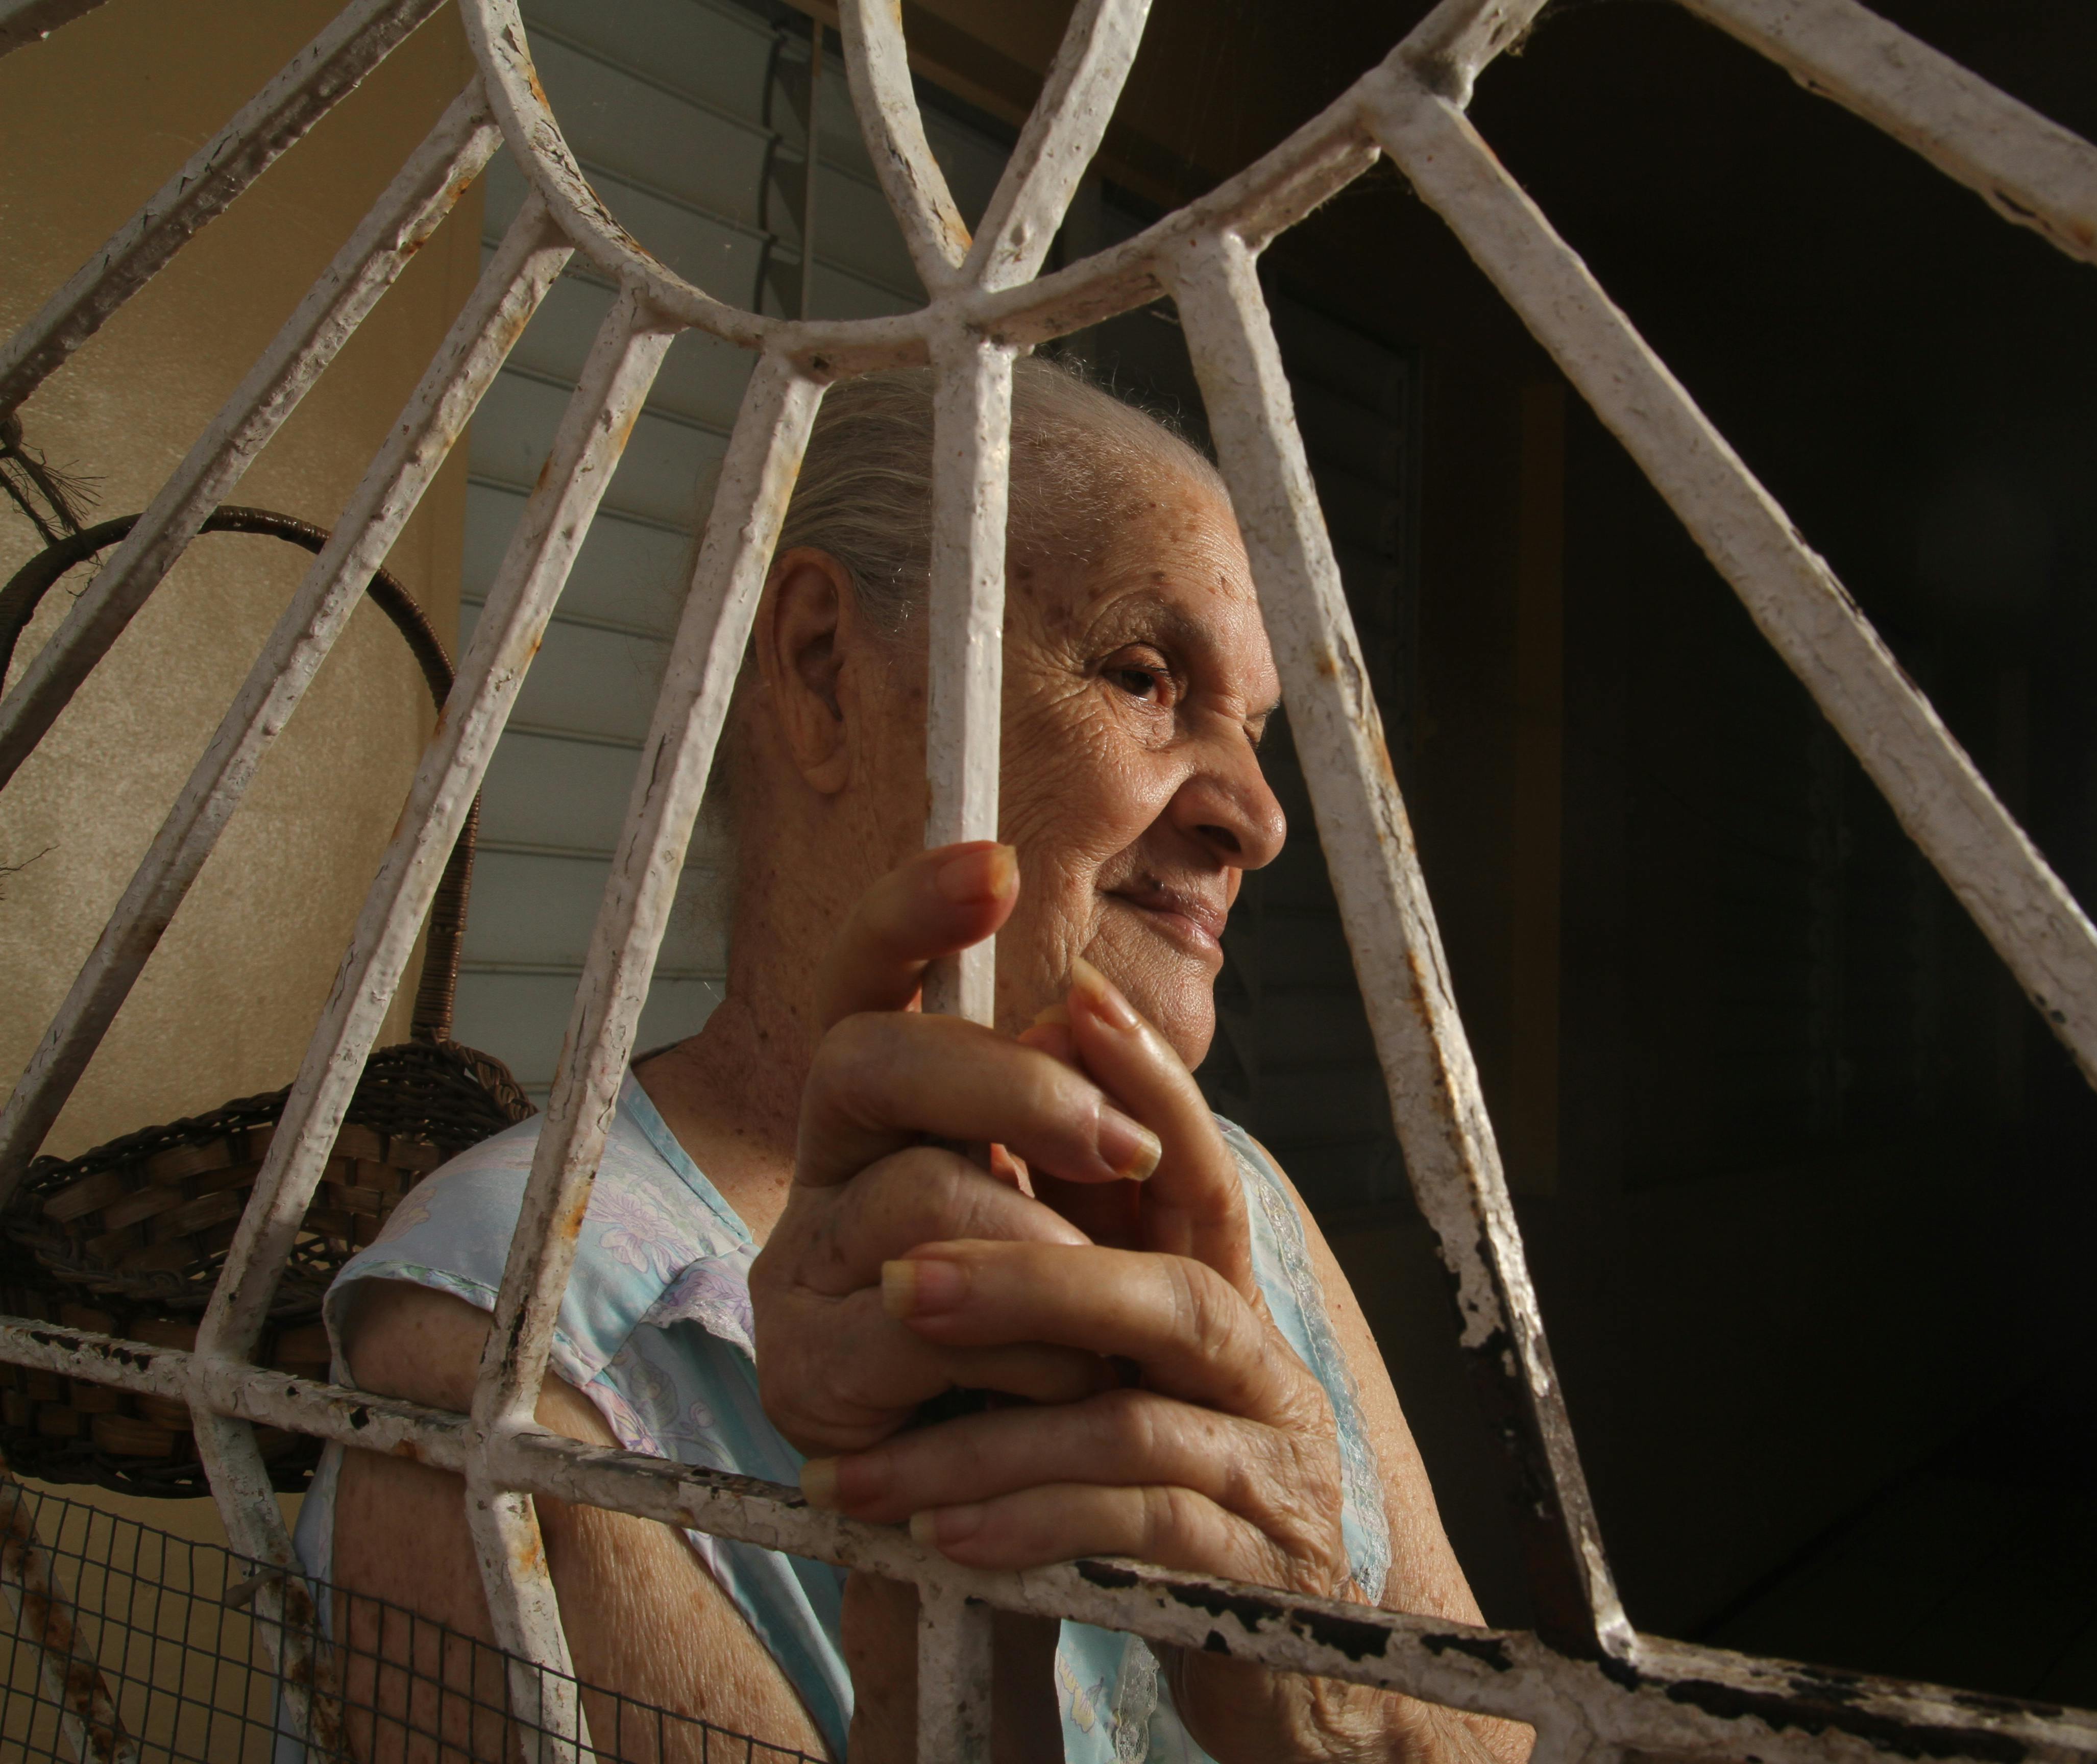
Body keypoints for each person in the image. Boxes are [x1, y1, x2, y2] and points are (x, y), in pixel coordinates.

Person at [302, 359, 1528, 1764]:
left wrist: (1327, 1707)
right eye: (1145, 676)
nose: (1259, 818)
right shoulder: (511, 1349)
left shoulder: (1235, 1203)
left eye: (1251, 733)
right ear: (825, 669)